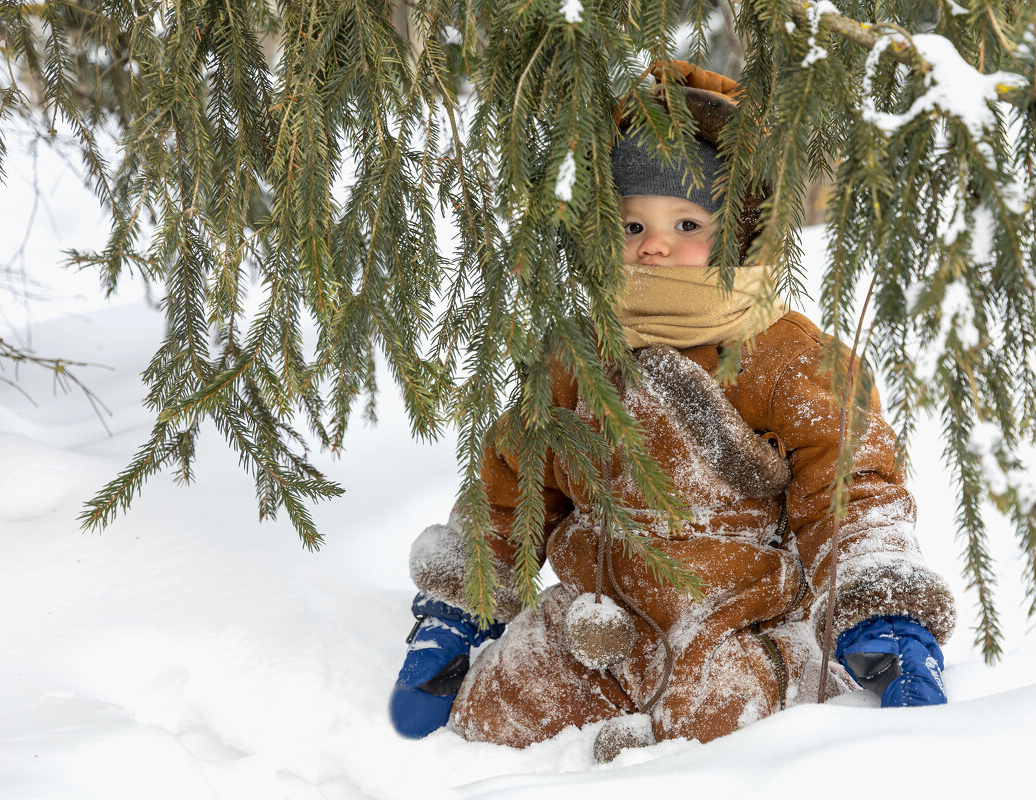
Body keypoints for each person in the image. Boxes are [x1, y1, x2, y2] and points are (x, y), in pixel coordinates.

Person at [389, 61, 954, 756]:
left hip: (733, 618)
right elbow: (515, 489)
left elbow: (853, 492)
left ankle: (674, 760)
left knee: (721, 714)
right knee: (500, 710)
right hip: (598, 615)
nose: (652, 244)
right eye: (630, 225)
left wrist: (882, 605)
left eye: (686, 222)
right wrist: (461, 602)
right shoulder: (580, 356)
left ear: (742, 232)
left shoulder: (786, 357)